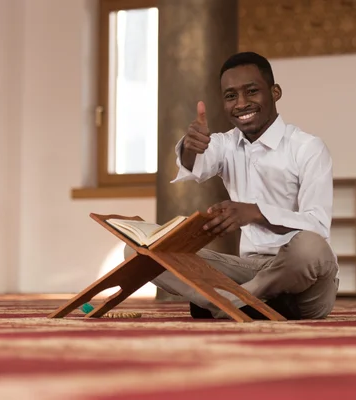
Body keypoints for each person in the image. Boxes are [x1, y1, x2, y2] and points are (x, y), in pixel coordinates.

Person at [127, 51, 339, 320]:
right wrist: (192, 147)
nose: (241, 103)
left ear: (275, 92)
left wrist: (255, 213)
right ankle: (247, 303)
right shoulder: (226, 144)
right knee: (141, 250)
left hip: (304, 283)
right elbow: (196, 164)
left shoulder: (308, 148)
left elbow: (317, 225)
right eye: (231, 96)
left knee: (311, 247)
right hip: (247, 268)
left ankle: (224, 301)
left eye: (252, 91)